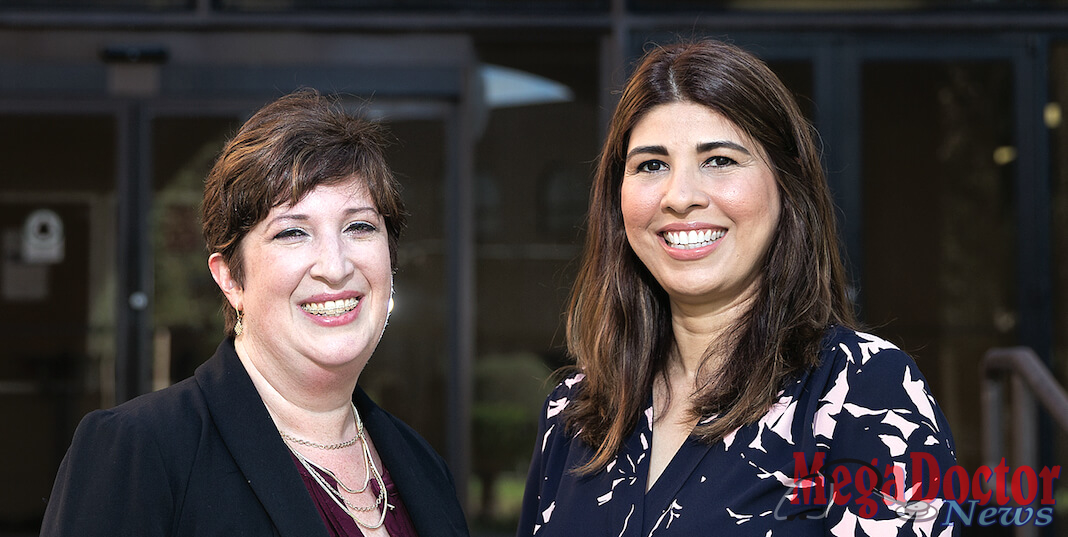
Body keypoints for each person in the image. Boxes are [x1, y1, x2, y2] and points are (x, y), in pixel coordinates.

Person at [517, 40, 958, 536]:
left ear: (787, 186)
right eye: (651, 165)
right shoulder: (573, 411)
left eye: (720, 160)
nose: (680, 197)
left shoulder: (862, 391)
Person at [42, 89, 470, 537]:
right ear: (231, 279)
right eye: (292, 233)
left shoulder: (423, 468)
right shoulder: (138, 451)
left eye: (359, 226)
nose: (335, 266)